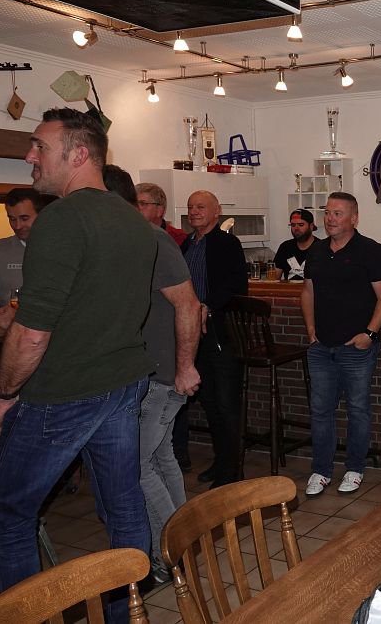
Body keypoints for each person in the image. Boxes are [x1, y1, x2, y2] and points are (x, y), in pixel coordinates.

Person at [0, 108, 157, 621]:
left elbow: (33, 331)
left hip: (64, 393)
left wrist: (4, 393)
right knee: (123, 509)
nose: (29, 156)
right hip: (121, 383)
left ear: (78, 154)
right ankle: (127, 615)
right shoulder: (134, 220)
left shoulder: (61, 219)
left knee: (2, 518)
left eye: (39, 146)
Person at [104, 165, 202, 585]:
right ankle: (186, 545)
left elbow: (190, 305)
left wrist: (185, 367)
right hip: (152, 370)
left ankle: (173, 552)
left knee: (137, 465)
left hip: (163, 373)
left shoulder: (153, 240)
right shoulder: (132, 240)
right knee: (161, 458)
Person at [301, 192, 381, 496]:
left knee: (358, 410)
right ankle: (321, 470)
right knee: (320, 410)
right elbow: (308, 292)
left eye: (337, 213)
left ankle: (355, 468)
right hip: (321, 347)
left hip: (356, 347)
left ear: (354, 218)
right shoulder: (316, 251)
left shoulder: (370, 250)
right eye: (327, 213)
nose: (330, 219)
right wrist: (310, 329)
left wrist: (370, 333)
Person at [178, 190, 248, 488]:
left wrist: (209, 306)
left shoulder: (227, 243)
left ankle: (231, 471)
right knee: (208, 401)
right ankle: (221, 461)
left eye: (201, 207)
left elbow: (238, 286)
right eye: (191, 207)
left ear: (216, 212)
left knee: (226, 402)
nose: (194, 212)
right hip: (192, 335)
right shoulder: (186, 244)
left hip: (221, 335)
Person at [136, 181, 187, 245]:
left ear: (159, 210)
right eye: (134, 203)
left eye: (143, 203)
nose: (136, 208)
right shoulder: (129, 234)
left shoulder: (178, 238)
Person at [273, 208, 319, 280]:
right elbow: (273, 279)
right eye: (293, 225)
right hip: (289, 287)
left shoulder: (321, 248)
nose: (296, 228)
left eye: (301, 225)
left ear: (311, 226)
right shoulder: (285, 247)